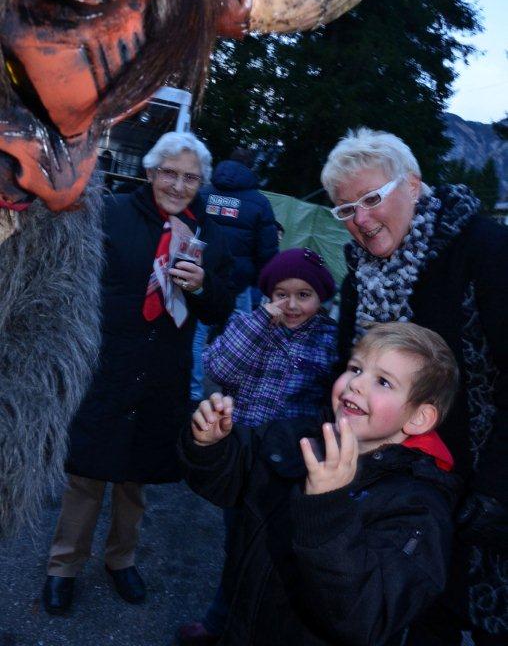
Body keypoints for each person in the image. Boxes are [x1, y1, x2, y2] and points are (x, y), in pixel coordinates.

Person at [321, 127, 508, 645]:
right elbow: (343, 372)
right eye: (346, 209)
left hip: (483, 488)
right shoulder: (359, 276)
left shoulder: (485, 251)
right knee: (414, 617)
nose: (360, 220)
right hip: (400, 495)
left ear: (413, 185)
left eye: (371, 199)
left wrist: (496, 491)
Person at [42, 132, 235, 615]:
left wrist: (203, 286)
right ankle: (63, 567)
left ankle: (121, 560)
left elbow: (221, 308)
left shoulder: (208, 234)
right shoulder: (112, 214)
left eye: (190, 177)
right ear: (150, 172)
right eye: (170, 173)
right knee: (86, 476)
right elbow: (71, 279)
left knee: (135, 479)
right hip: (107, 365)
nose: (179, 185)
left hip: (161, 374)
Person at [177, 322, 461, 646]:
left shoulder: (418, 508)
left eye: (383, 381)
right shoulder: (299, 438)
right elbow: (229, 480)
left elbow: (365, 616)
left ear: (419, 418)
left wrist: (327, 508)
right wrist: (209, 445)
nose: (356, 384)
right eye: (355, 368)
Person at [178, 247, 339, 644]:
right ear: (268, 295)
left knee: (278, 552)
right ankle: (220, 621)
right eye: (282, 294)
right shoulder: (250, 325)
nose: (292, 305)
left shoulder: (331, 339)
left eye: (304, 295)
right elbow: (218, 366)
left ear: (320, 297)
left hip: (295, 465)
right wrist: (259, 322)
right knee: (238, 544)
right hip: (248, 457)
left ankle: (260, 628)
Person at [190, 146, 279, 401]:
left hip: (202, 278)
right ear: (250, 168)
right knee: (245, 337)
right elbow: (267, 250)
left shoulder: (203, 194)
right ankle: (234, 397)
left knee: (197, 336)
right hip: (238, 284)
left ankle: (193, 392)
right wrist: (265, 284)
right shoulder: (259, 202)